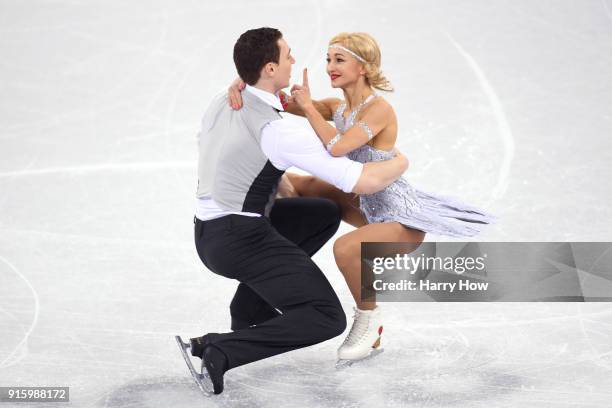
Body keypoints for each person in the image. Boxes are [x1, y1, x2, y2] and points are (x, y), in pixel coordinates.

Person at [229, 32, 495, 365]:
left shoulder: (379, 109)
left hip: (397, 218)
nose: (330, 67)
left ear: (364, 66)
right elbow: (272, 98)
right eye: (328, 59)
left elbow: (337, 148)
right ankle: (268, 281)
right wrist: (243, 80)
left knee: (347, 248)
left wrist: (310, 107)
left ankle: (369, 322)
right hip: (363, 202)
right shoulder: (339, 107)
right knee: (295, 187)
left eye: (339, 60)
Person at [178, 27, 409, 395]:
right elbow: (359, 182)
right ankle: (219, 349)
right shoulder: (280, 131)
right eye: (288, 56)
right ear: (269, 68)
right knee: (325, 317)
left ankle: (251, 312)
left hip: (208, 230)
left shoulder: (221, 101)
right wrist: (399, 163)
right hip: (239, 238)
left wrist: (241, 80)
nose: (294, 62)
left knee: (320, 213)